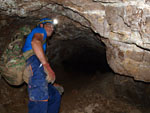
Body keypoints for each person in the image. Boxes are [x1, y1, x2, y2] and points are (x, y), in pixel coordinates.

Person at [22, 18, 61, 113]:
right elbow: (35, 42)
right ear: (41, 25)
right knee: (40, 98)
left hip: (37, 65)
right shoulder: (39, 30)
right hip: (34, 61)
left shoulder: (43, 41)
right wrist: (46, 65)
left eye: (53, 27)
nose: (52, 28)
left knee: (55, 95)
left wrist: (50, 83)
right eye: (49, 25)